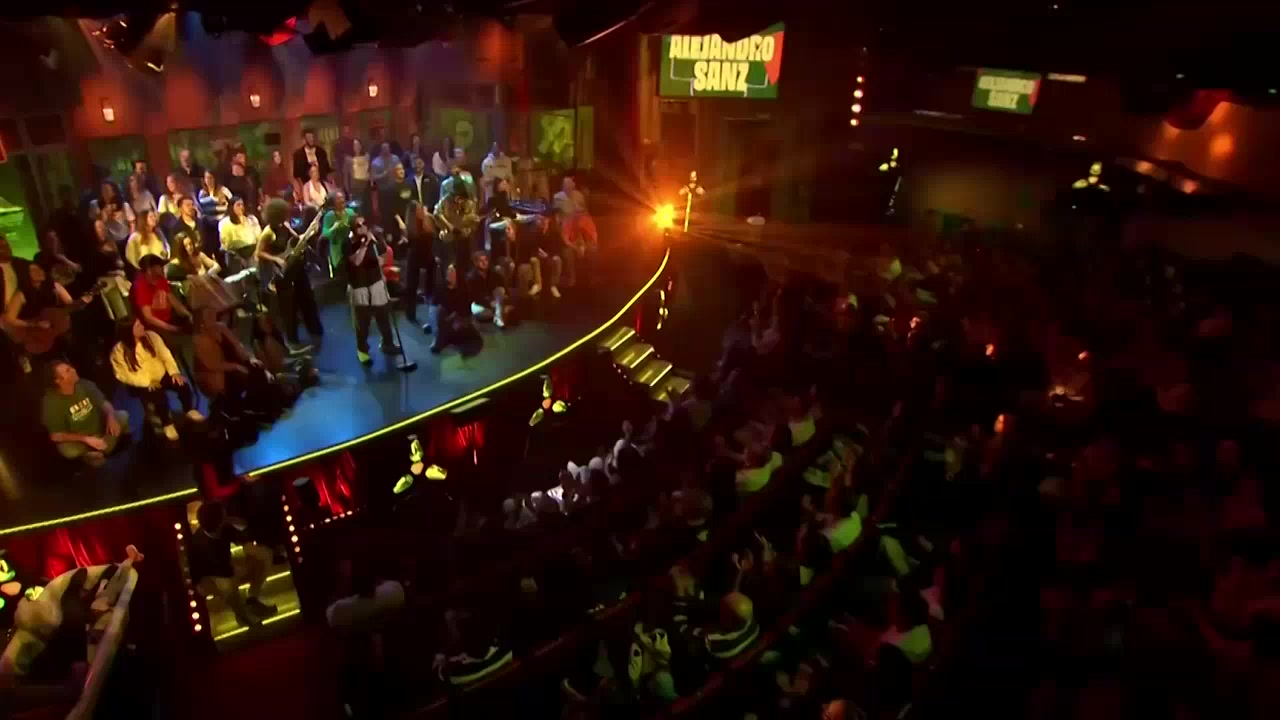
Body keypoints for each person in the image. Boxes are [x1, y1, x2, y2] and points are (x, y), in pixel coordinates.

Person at [188, 501, 278, 629]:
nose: (226, 513)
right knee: (227, 585)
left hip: (224, 568)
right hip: (206, 579)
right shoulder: (202, 545)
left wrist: (247, 544)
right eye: (223, 514)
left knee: (264, 554)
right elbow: (220, 571)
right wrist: (239, 570)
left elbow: (244, 530)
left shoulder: (223, 528)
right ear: (218, 522)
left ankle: (252, 600)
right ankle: (243, 616)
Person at [110, 319, 200, 440]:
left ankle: (188, 410)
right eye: (138, 326)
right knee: (159, 398)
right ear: (129, 332)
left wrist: (174, 372)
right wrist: (146, 382)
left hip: (161, 373)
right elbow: (123, 375)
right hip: (142, 382)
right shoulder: (118, 351)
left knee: (182, 385)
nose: (142, 326)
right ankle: (167, 423)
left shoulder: (152, 336)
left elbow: (165, 354)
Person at [258, 200, 324, 350]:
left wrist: (310, 233)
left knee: (307, 298)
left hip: (296, 266)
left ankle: (315, 330)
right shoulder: (267, 232)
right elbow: (259, 253)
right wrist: (276, 259)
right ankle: (292, 339)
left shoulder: (286, 225)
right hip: (282, 271)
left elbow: (297, 239)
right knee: (288, 307)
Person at [192, 305, 276, 421]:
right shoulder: (199, 340)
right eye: (208, 316)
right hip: (219, 372)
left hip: (235, 363)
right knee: (241, 377)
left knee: (257, 368)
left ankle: (263, 408)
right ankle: (245, 412)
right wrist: (235, 367)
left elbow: (238, 345)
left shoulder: (221, 327)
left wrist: (250, 358)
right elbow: (212, 365)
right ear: (201, 321)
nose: (212, 317)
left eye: (212, 314)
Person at [41, 359, 128, 467]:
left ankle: (98, 452)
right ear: (58, 380)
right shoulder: (50, 402)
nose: (73, 370)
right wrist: (86, 439)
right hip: (79, 439)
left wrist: (111, 417)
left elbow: (104, 403)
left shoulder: (84, 384)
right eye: (68, 370)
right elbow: (55, 435)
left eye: (71, 368)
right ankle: (98, 451)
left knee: (123, 416)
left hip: (100, 428)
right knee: (67, 450)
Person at [343, 216, 401, 365]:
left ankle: (388, 343)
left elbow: (383, 256)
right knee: (363, 321)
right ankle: (362, 351)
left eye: (364, 224)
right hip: (359, 286)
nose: (363, 227)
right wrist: (365, 244)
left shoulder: (373, 239)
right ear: (352, 228)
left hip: (375, 282)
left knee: (383, 314)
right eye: (358, 225)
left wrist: (374, 245)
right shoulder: (348, 243)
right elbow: (356, 261)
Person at [554, 175, 598, 288]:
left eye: (570, 184)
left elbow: (586, 215)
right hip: (567, 232)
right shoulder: (558, 198)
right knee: (567, 252)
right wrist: (575, 246)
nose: (568, 187)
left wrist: (584, 243)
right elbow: (557, 218)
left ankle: (591, 276)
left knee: (593, 248)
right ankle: (571, 277)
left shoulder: (579, 196)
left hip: (581, 232)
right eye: (565, 185)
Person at [131, 253, 192, 335]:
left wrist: (188, 315)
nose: (163, 268)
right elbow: (148, 318)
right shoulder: (141, 286)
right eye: (159, 266)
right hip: (152, 328)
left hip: (168, 320)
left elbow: (173, 301)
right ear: (150, 269)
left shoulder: (161, 280)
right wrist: (170, 328)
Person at [433, 177, 481, 275]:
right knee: (449, 265)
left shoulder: (469, 203)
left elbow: (474, 220)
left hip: (464, 239)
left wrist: (465, 227)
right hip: (449, 238)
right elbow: (437, 213)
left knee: (465, 266)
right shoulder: (446, 200)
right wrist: (448, 225)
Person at [402, 201, 437, 332]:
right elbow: (413, 240)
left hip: (428, 255)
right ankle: (410, 313)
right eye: (418, 209)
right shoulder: (411, 226)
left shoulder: (427, 220)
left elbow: (433, 235)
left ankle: (432, 311)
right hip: (415, 256)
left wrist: (427, 218)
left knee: (431, 285)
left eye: (421, 208)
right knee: (411, 285)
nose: (421, 210)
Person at [430, 264, 477, 354]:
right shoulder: (440, 287)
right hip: (444, 317)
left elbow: (465, 308)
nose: (449, 274)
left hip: (459, 317)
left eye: (452, 272)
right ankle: (437, 338)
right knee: (436, 311)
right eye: (448, 271)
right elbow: (434, 304)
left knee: (455, 328)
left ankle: (443, 337)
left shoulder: (464, 289)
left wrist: (453, 316)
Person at [218, 196, 261, 274]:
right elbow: (225, 244)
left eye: (242, 204)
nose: (241, 207)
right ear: (232, 207)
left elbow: (259, 237)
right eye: (238, 205)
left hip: (252, 251)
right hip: (235, 253)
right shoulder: (224, 223)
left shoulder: (251, 219)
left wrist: (256, 252)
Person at [466, 251, 508, 328]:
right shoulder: (471, 277)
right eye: (481, 261)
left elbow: (501, 287)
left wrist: (503, 296)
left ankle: (498, 316)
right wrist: (489, 303)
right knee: (482, 314)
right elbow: (475, 297)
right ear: (475, 263)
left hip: (495, 302)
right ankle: (500, 314)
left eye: (485, 260)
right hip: (479, 304)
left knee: (500, 290)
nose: (484, 263)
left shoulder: (493, 273)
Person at [321, 190, 355, 277]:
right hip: (338, 250)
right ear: (333, 202)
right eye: (338, 199)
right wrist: (334, 228)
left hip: (351, 249)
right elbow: (325, 234)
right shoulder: (330, 216)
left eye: (342, 197)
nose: (341, 200)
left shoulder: (350, 212)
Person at [377, 162, 413, 240]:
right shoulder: (390, 188)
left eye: (402, 169)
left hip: (409, 221)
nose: (401, 171)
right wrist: (400, 222)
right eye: (398, 169)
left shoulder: (410, 185)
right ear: (394, 172)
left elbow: (411, 203)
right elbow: (391, 208)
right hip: (395, 223)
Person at [342, 138, 372, 216]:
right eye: (355, 145)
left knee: (367, 206)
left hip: (366, 184)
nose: (357, 147)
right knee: (358, 207)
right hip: (355, 185)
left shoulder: (367, 156)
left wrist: (371, 181)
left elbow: (370, 170)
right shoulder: (348, 159)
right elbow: (346, 175)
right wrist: (347, 189)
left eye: (358, 144)